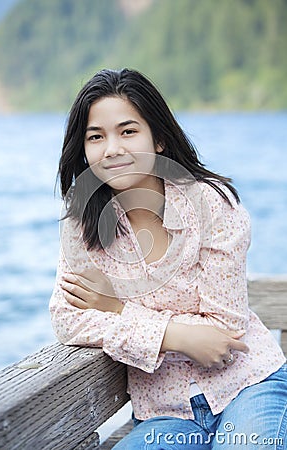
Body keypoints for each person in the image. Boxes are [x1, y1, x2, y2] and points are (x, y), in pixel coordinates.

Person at [49, 68, 286, 449]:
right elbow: (67, 318)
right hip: (164, 411)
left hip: (247, 385)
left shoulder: (211, 204)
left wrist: (117, 307)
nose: (112, 149)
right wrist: (178, 335)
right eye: (96, 137)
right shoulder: (82, 228)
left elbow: (223, 331)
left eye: (128, 131)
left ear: (158, 139)